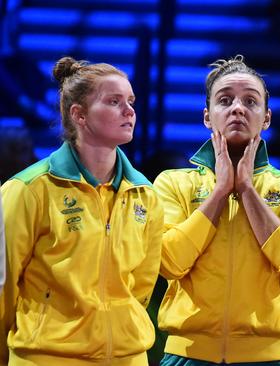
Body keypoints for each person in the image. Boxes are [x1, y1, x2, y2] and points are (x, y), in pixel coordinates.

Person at [0, 56, 163, 364]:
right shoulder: (28, 189)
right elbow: (4, 287)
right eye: (114, 101)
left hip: (127, 357)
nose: (129, 111)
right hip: (46, 357)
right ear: (79, 115)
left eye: (130, 101)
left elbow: (141, 288)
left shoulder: (146, 195)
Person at [154, 55, 280, 365]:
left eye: (250, 101)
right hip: (187, 355)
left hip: (272, 356)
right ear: (207, 116)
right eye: (225, 100)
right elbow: (170, 262)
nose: (237, 108)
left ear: (266, 118)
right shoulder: (173, 183)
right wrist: (219, 193)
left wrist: (247, 191)